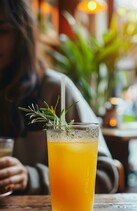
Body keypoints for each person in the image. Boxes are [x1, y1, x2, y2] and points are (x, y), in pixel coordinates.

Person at [0, 0, 119, 195]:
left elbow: (103, 176)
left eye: (2, 30)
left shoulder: (56, 90)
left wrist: (31, 177)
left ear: (22, 35)